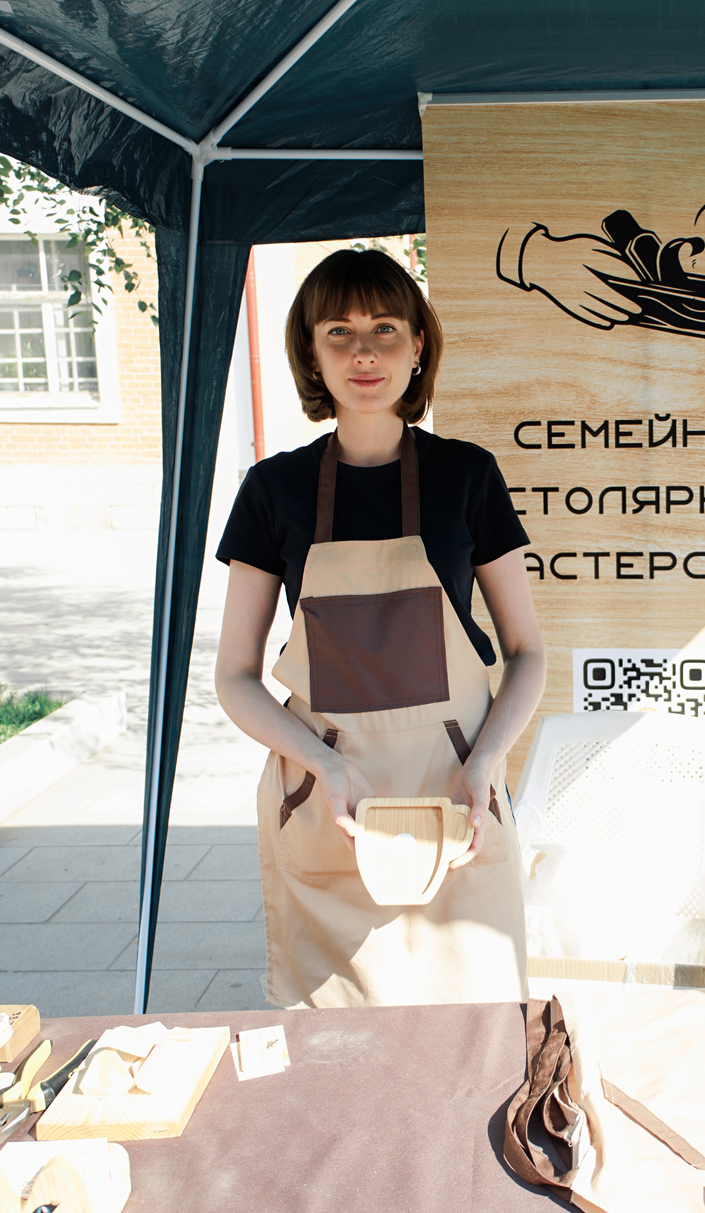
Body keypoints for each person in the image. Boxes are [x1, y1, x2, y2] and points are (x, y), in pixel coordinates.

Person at [213, 249, 544, 1009]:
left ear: (418, 344)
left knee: (475, 1028)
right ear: (311, 352)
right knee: (338, 1040)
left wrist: (486, 763)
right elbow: (234, 677)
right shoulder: (272, 490)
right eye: (339, 331)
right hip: (335, 804)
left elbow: (527, 652)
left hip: (456, 793)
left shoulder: (468, 476)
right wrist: (322, 767)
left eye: (385, 329)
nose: (364, 352)